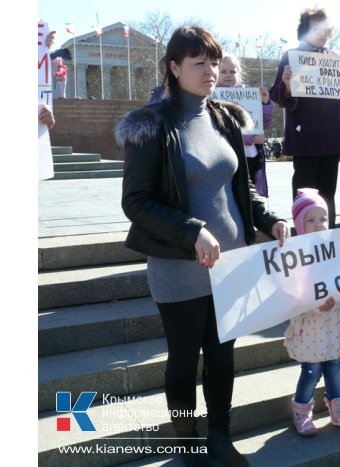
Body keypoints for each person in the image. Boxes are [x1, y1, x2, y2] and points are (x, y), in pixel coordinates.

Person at [116, 25, 289, 467]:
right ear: (174, 67)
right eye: (199, 62)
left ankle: (219, 436)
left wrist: (270, 220)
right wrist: (192, 230)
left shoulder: (225, 118)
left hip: (231, 264)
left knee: (222, 355)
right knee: (182, 359)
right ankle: (186, 440)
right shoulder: (152, 125)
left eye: (214, 61)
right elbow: (135, 202)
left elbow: (241, 189)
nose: (210, 70)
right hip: (179, 266)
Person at [284, 188, 340, 434]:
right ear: (298, 224)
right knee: (311, 371)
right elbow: (292, 295)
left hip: (333, 328)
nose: (318, 225)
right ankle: (301, 412)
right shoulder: (294, 257)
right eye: (309, 220)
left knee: (334, 368)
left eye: (322, 219)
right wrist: (315, 304)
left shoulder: (336, 253)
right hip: (309, 330)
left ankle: (339, 411)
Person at [270, 7, 340, 228]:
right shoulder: (292, 56)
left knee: (328, 194)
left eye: (326, 30)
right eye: (316, 29)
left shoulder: (334, 58)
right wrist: (287, 86)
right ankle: (303, 239)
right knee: (305, 193)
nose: (323, 34)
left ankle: (328, 237)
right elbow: (278, 95)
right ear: (305, 30)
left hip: (332, 137)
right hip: (305, 138)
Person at [218, 53, 272, 197]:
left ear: (239, 73)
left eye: (233, 71)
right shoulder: (211, 96)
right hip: (226, 154)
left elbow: (263, 123)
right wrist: (252, 139)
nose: (228, 75)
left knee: (250, 193)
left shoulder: (248, 92)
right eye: (223, 71)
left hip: (250, 155)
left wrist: (265, 103)